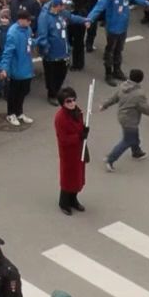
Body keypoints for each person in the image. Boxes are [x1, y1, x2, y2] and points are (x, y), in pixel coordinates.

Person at [98, 67, 149, 170]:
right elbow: (144, 107)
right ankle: (110, 159)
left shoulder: (123, 86)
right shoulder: (139, 94)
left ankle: (136, 152)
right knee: (127, 140)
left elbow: (115, 98)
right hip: (130, 120)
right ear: (140, 80)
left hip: (122, 116)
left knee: (133, 136)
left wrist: (105, 105)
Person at [54, 86, 88, 214]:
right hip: (68, 152)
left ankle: (73, 199)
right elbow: (63, 138)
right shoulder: (60, 118)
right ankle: (64, 203)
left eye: (73, 100)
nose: (72, 103)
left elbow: (80, 127)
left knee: (78, 177)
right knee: (68, 178)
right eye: (68, 101)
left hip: (79, 149)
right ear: (63, 103)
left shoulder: (77, 112)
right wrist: (79, 136)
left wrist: (84, 130)